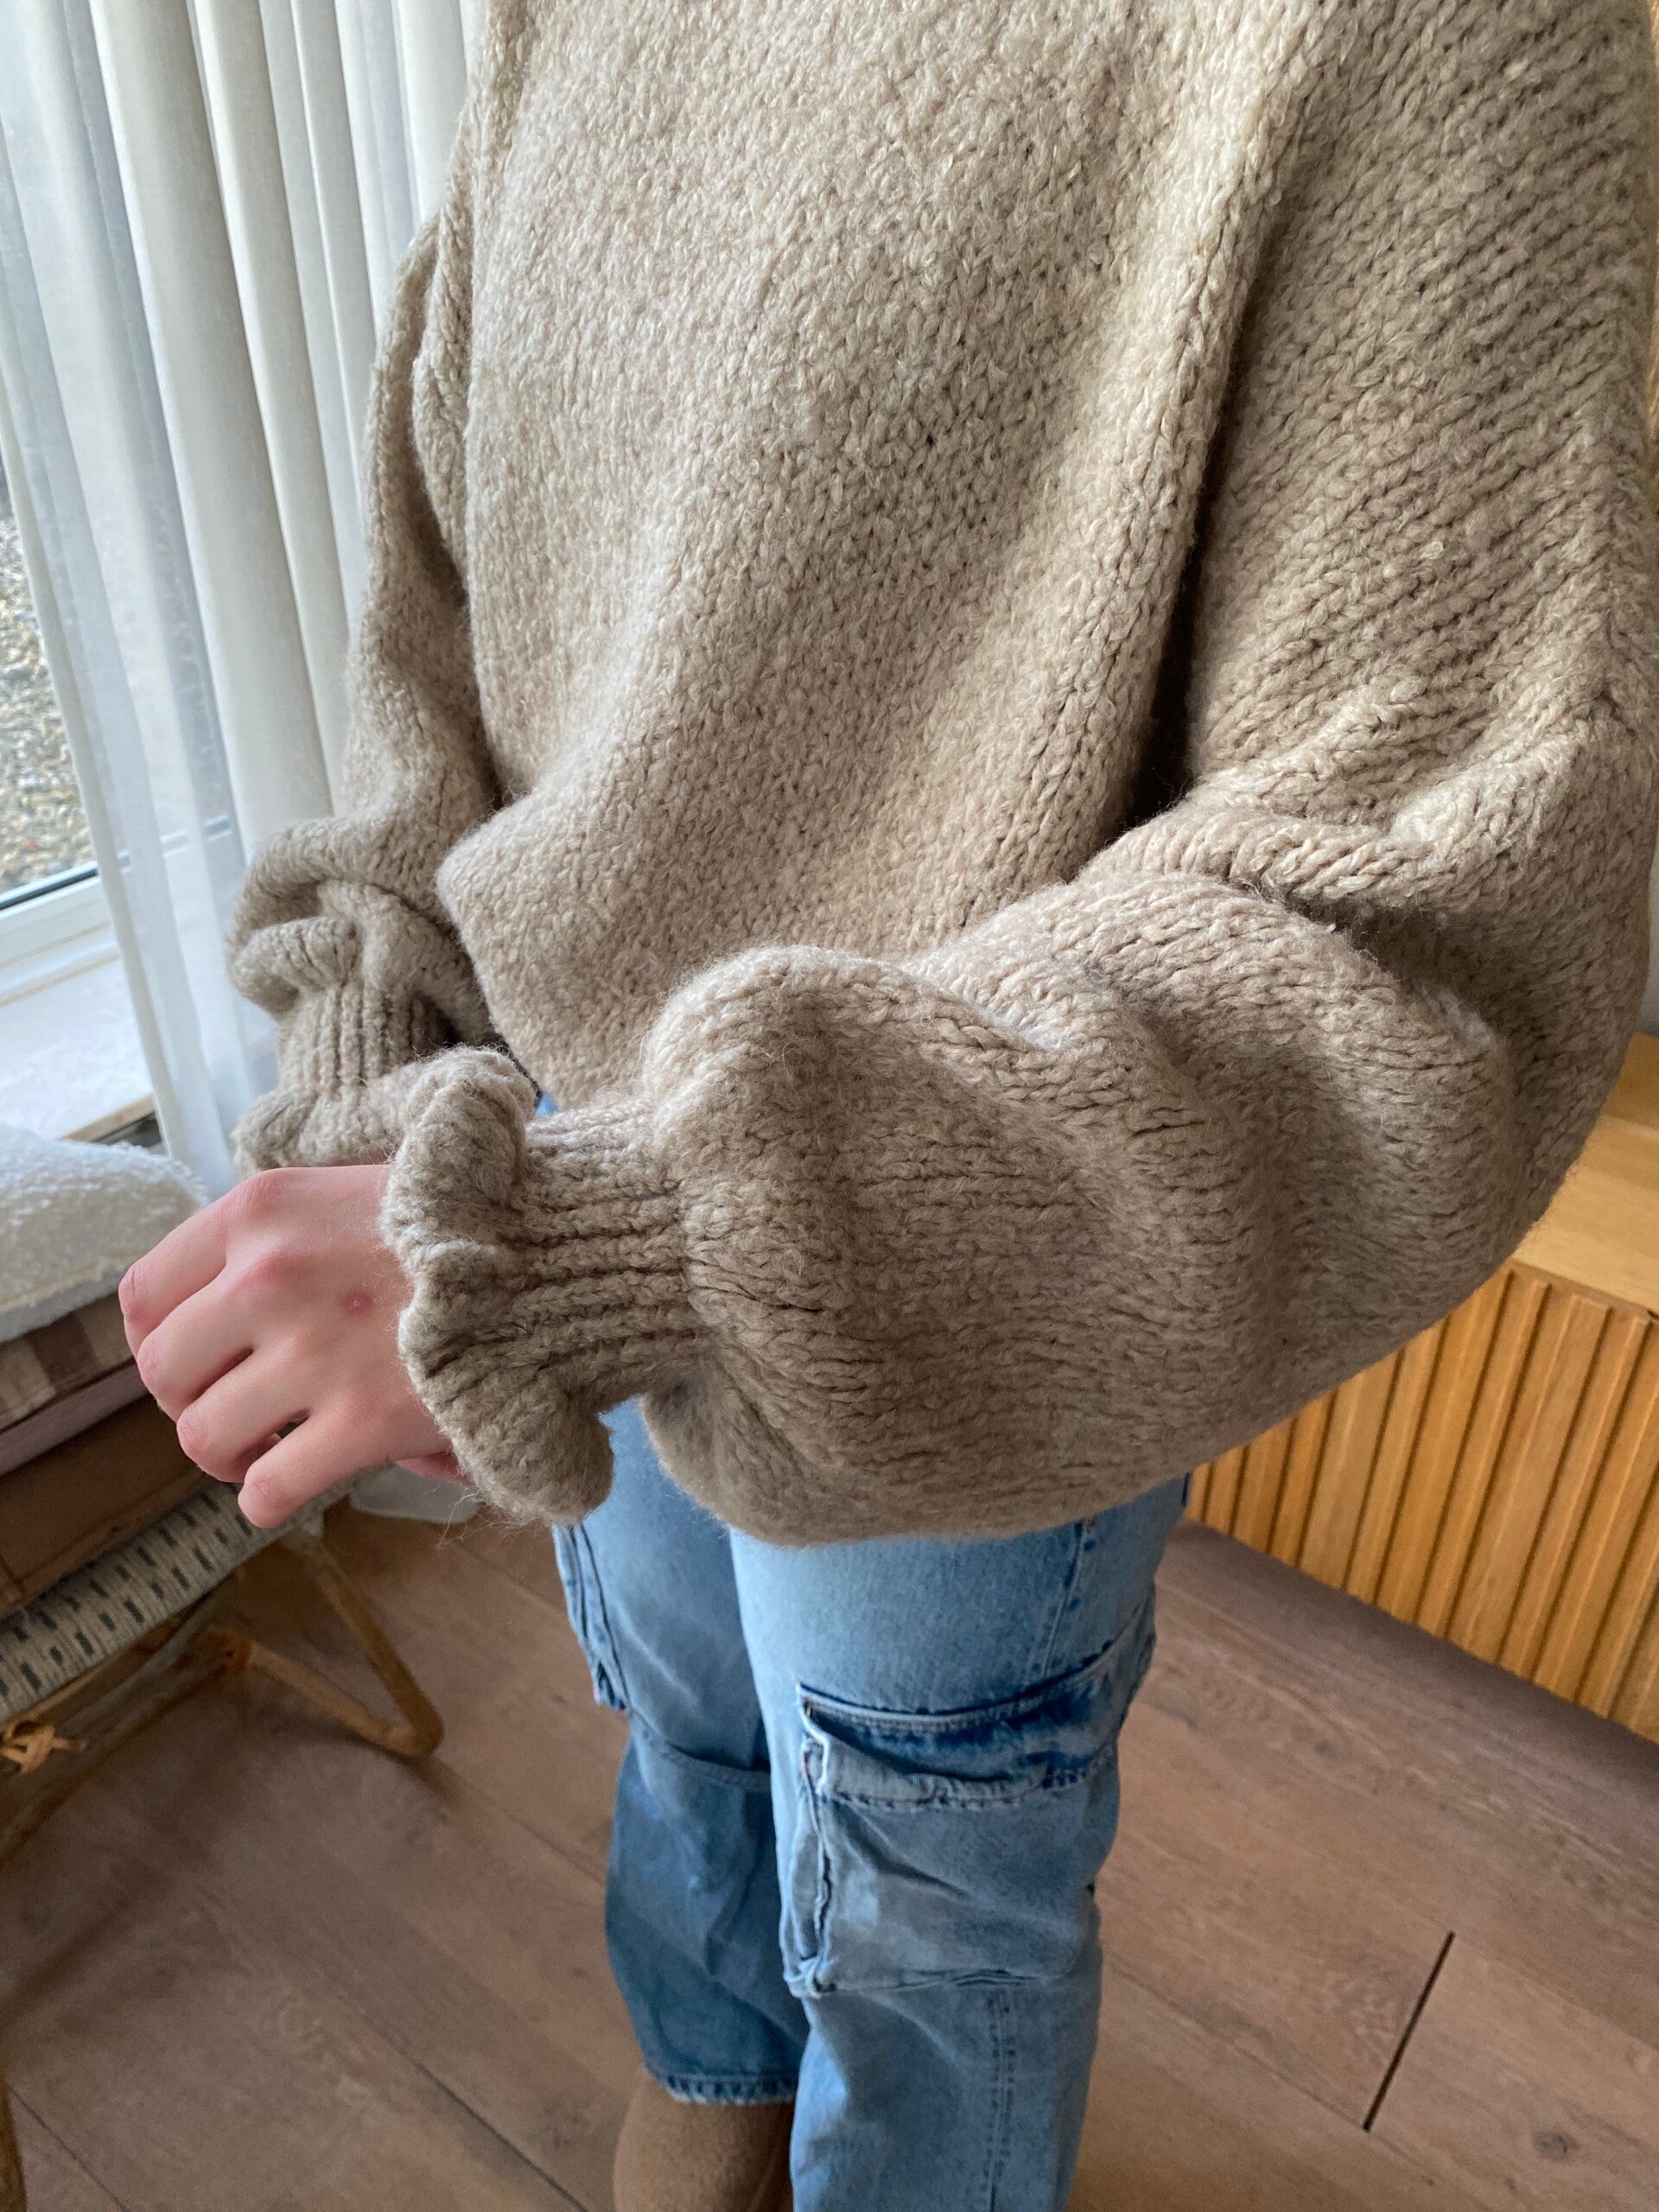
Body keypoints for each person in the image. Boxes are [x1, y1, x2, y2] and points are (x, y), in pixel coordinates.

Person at [118, 1, 1659, 2205]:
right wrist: (391, 1081)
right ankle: (719, 2061)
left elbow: (1417, 928)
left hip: (956, 1264)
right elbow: (444, 633)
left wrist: (602, 1241)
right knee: (690, 1727)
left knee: (936, 1882)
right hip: (543, 1158)